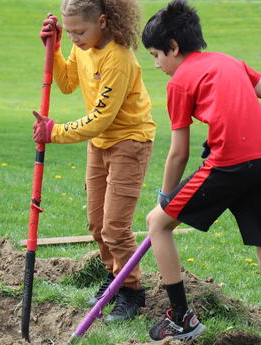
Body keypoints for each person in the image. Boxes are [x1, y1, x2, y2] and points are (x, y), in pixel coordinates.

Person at [141, 1, 261, 344]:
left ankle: (181, 319)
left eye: (156, 55)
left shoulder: (179, 83)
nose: (157, 64)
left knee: (157, 222)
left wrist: (165, 195)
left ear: (173, 47)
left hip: (230, 165)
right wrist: (242, 127)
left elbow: (179, 153)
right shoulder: (228, 61)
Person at [33, 0, 156, 323]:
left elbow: (101, 118)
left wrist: (54, 132)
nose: (75, 37)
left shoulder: (118, 58)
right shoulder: (83, 47)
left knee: (115, 228)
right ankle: (114, 276)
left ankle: (132, 291)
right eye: (69, 31)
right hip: (99, 145)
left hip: (130, 142)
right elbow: (67, 83)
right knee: (96, 224)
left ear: (102, 21)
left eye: (80, 31)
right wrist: (55, 48)